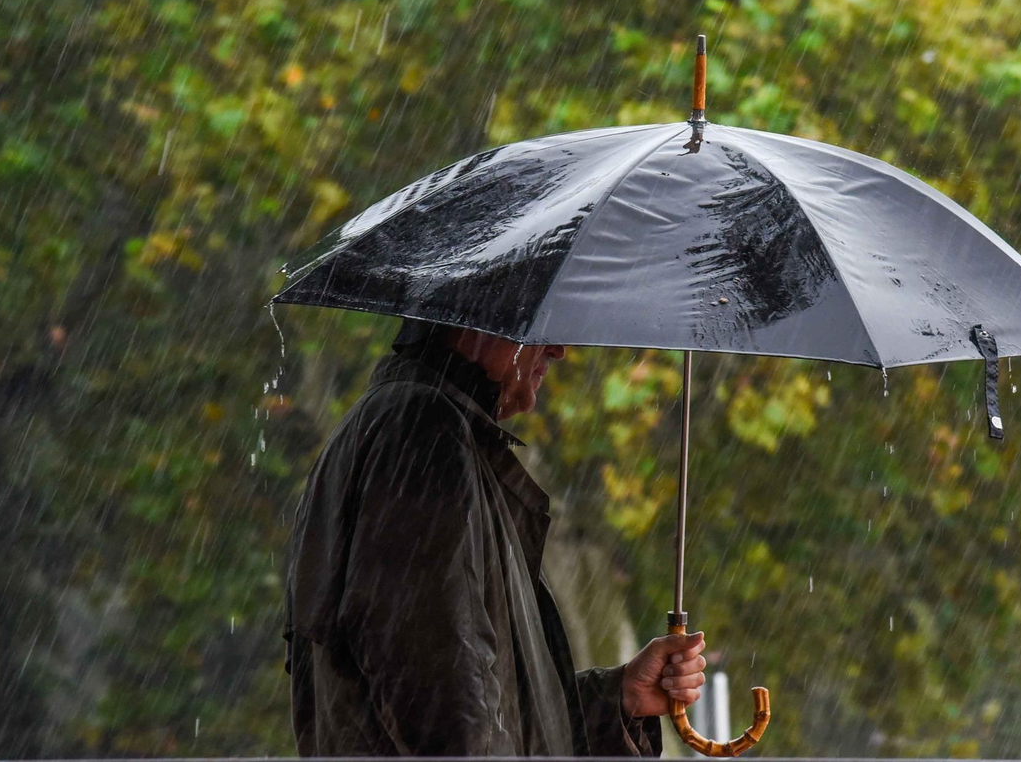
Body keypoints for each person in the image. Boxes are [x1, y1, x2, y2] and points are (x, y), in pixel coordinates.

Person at [284, 317, 708, 756]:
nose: (558, 348)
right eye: (539, 324)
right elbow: (446, 709)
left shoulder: (412, 428)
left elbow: (486, 712)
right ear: (474, 322)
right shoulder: (421, 434)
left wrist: (619, 697)